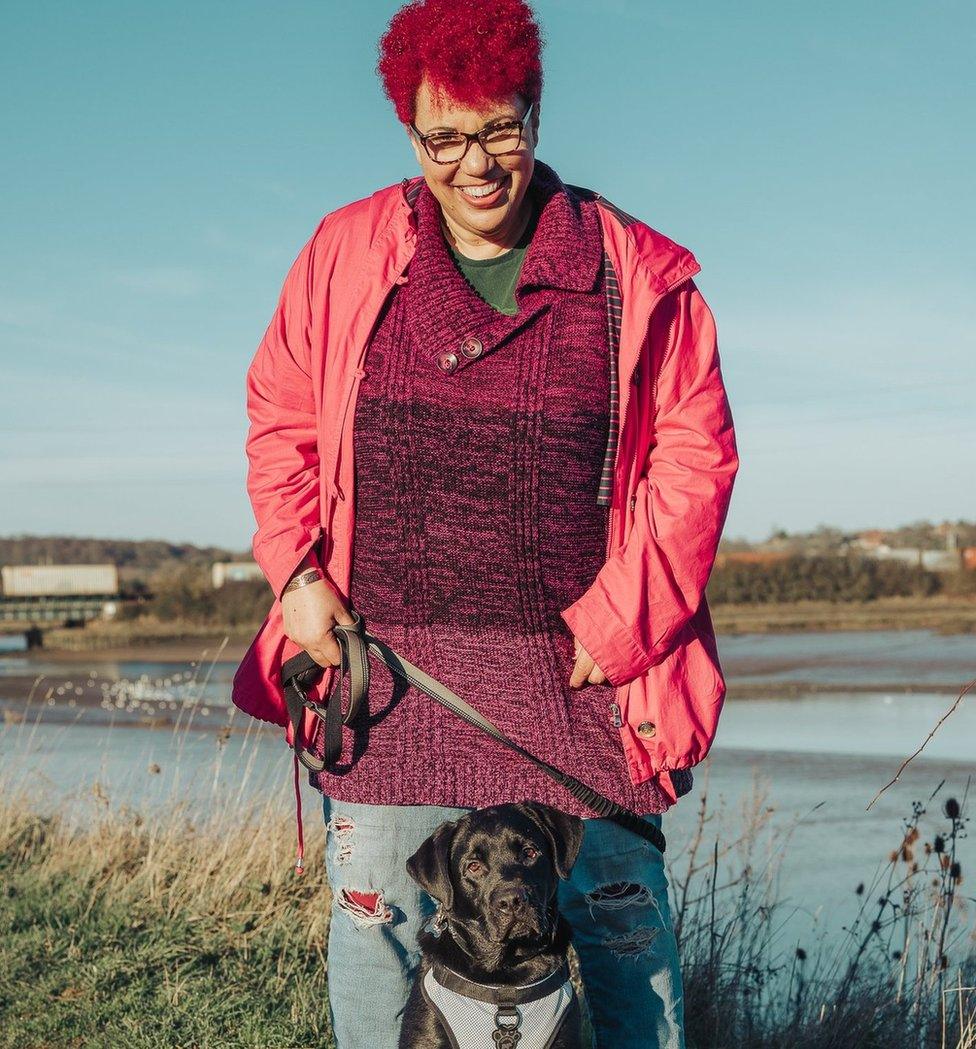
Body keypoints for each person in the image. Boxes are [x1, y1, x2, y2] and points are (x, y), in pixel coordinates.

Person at [233, 1, 738, 1045]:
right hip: (393, 675)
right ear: (410, 131)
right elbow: (281, 421)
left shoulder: (633, 269)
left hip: (580, 675)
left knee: (620, 929)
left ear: (537, 111)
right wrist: (298, 575)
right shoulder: (344, 250)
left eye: (499, 128)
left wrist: (619, 624)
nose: (476, 163)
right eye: (445, 136)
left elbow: (695, 459)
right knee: (375, 917)